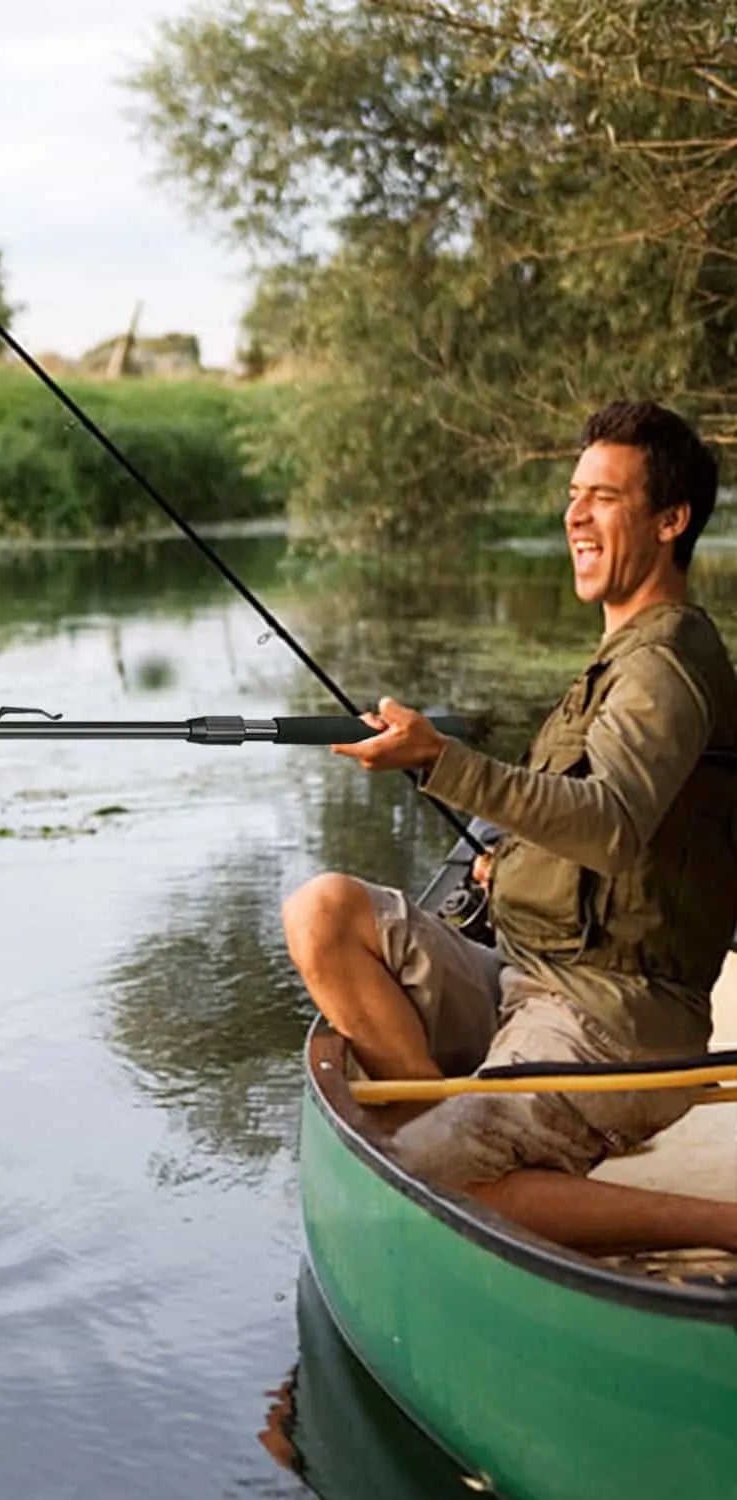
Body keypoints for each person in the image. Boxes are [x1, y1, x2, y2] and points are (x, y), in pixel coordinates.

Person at [282, 400, 737, 1255]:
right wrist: (510, 866)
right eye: (574, 493)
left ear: (671, 520)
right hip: (526, 976)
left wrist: (441, 760)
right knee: (324, 911)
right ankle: (453, 1130)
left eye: (604, 496)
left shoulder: (666, 666)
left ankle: (720, 1226)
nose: (574, 514)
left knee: (420, 1184)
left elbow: (610, 825)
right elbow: (588, 832)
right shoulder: (620, 659)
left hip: (609, 1017)